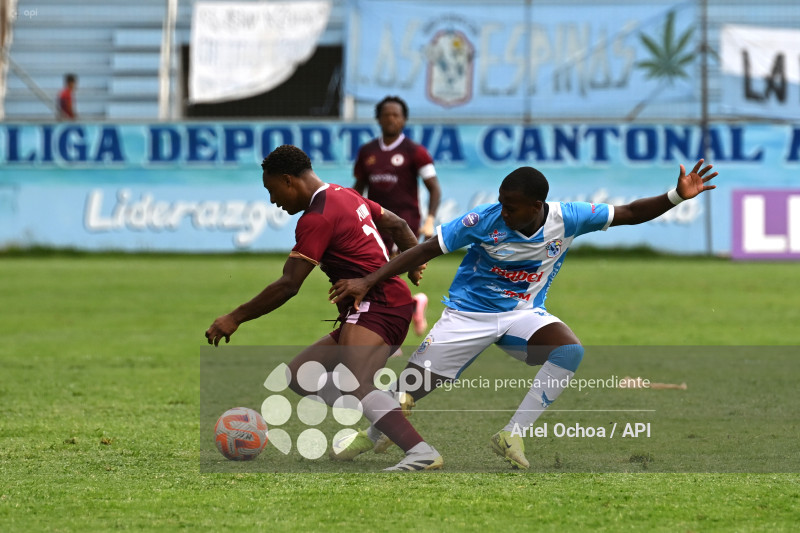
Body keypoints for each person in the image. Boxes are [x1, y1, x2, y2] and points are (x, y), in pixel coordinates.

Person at [329, 159, 717, 469]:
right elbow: (428, 249)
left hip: (522, 314)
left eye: (510, 207)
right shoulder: (483, 220)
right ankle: (372, 436)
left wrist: (675, 196)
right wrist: (369, 280)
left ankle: (512, 434)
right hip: (467, 316)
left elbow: (630, 211)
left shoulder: (569, 217)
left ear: (536, 207)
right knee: (408, 392)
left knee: (569, 351)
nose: (503, 212)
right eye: (500, 202)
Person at [205, 144, 442, 472]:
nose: (273, 201)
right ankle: (385, 406)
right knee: (301, 375)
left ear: (288, 181)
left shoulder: (316, 218)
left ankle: (421, 452)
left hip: (381, 305)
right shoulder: (343, 194)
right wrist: (414, 257)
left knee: (358, 382)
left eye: (272, 191)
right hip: (372, 307)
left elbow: (289, 284)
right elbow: (398, 224)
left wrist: (235, 317)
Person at [353, 95, 443, 336]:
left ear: (404, 120)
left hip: (405, 221)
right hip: (375, 220)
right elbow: (358, 187)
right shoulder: (367, 152)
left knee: (386, 268)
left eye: (396, 115)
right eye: (386, 115)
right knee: (376, 269)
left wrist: (430, 219)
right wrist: (350, 213)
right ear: (378, 119)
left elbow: (434, 187)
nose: (391, 119)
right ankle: (411, 305)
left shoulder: (416, 151)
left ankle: (385, 327)